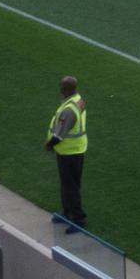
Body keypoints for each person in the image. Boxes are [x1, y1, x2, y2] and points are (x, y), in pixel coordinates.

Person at [47, 77, 89, 227]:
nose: (60, 89)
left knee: (70, 185)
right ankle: (66, 212)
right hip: (76, 149)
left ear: (67, 89)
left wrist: (49, 144)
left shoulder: (68, 110)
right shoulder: (79, 100)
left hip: (69, 152)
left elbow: (59, 135)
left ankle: (78, 218)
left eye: (62, 87)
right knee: (68, 184)